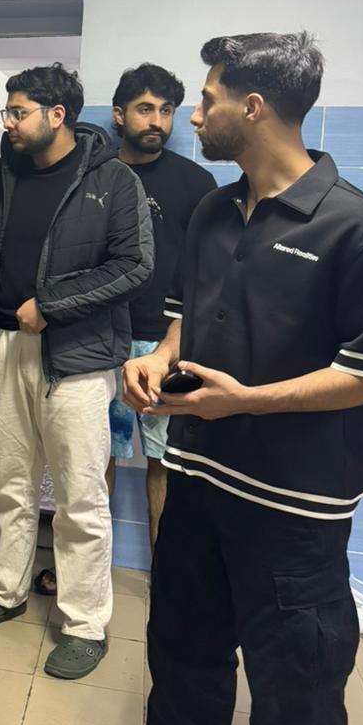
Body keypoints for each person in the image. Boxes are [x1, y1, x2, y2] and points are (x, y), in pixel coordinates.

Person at [104, 33, 363, 725]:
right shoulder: (215, 212)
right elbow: (183, 318)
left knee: (296, 696)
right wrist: (157, 360)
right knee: (183, 652)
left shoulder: (351, 224)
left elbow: (362, 373)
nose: (196, 116)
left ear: (252, 108)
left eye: (209, 99)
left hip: (295, 507)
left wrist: (245, 401)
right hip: (198, 478)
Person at [0, 64, 153, 679]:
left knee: (79, 496)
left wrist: (53, 306)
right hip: (4, 348)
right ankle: (5, 590)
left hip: (78, 358)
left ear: (56, 116)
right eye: (8, 113)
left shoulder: (112, 179)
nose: (7, 124)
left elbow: (134, 265)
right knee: (9, 481)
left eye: (17, 113)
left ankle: (84, 624)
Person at [106, 65, 216, 547]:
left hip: (166, 342)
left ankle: (164, 573)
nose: (157, 121)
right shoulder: (97, 175)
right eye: (145, 109)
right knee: (95, 458)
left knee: (164, 461)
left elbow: (208, 271)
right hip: (100, 339)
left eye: (166, 110)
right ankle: (86, 572)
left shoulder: (196, 183)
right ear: (119, 114)